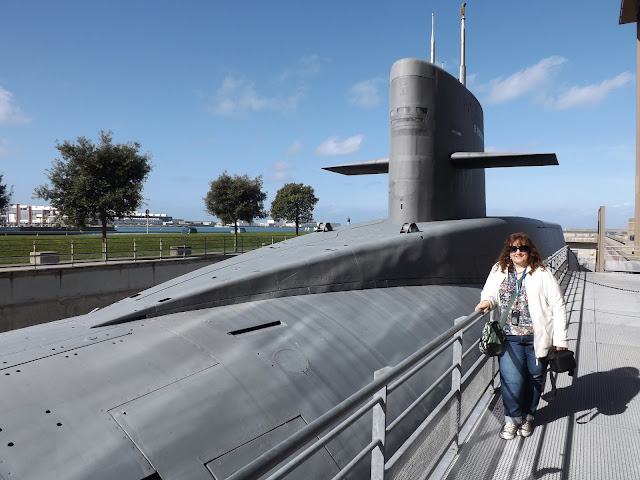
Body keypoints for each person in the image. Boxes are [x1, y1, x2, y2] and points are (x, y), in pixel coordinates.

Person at [476, 232, 568, 440]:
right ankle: (512, 420)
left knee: (534, 380)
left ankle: (528, 417)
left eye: (522, 248)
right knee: (511, 380)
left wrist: (560, 339)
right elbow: (490, 292)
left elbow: (558, 305)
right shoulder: (499, 270)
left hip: (536, 337)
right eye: (513, 248)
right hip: (509, 337)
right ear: (508, 252)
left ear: (530, 250)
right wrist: (488, 302)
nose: (518, 252)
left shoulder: (542, 273)